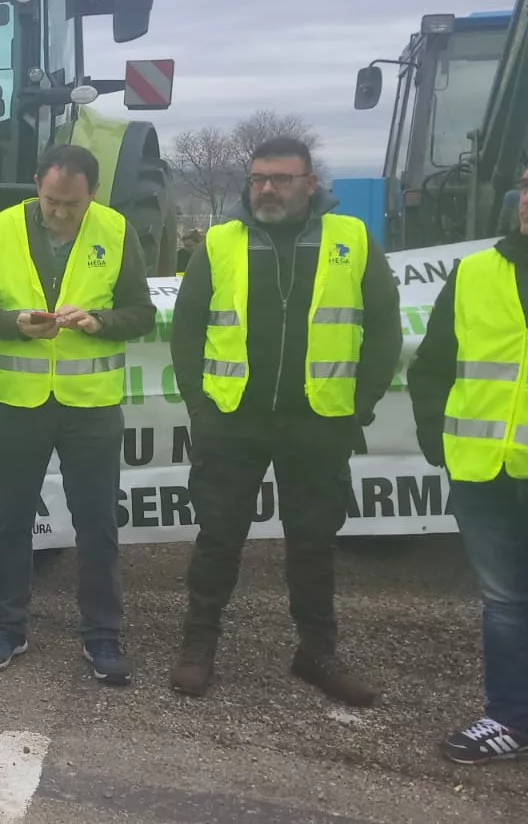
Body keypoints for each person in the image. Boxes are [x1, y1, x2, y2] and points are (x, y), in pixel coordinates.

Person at [168, 136, 401, 706]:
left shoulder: (352, 239)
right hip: (233, 420)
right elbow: (186, 331)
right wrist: (201, 408)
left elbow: (385, 330)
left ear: (310, 183)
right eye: (258, 179)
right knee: (218, 539)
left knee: (314, 544)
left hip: (319, 423)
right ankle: (199, 647)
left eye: (281, 178)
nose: (267, 189)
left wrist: (358, 408)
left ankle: (317, 653)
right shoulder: (221, 242)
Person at [0, 145, 156, 685]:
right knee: (9, 520)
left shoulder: (117, 231)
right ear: (36, 186)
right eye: (51, 201)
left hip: (90, 406)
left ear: (92, 193)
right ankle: (7, 627)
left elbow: (140, 312)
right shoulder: (0, 228)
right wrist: (12, 323)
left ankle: (102, 635)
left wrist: (98, 321)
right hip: (17, 401)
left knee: (96, 523)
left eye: (72, 204)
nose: (61, 213)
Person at [407, 167, 528, 764]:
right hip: (483, 469)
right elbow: (433, 365)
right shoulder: (476, 272)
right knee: (504, 600)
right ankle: (508, 718)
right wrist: (439, 441)